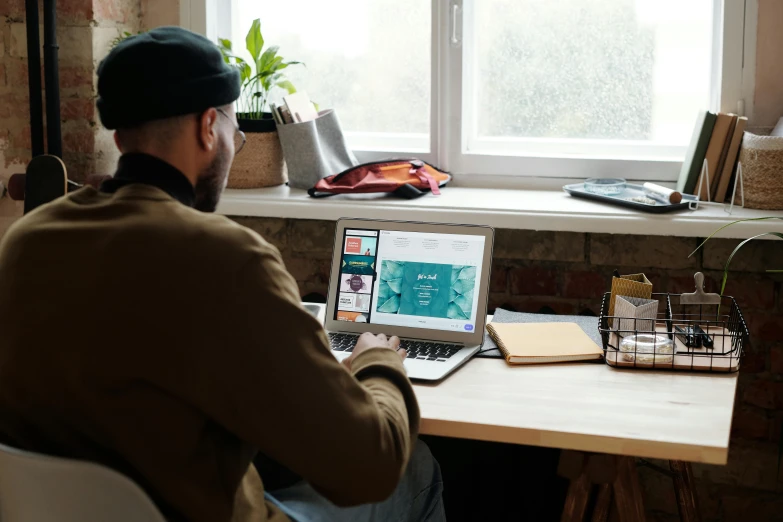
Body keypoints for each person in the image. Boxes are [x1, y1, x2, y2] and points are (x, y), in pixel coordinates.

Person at [0, 27, 445, 522]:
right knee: (415, 469)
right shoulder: (226, 260)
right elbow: (370, 466)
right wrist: (377, 362)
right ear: (208, 127)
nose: (235, 143)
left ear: (121, 135)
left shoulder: (26, 241)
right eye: (235, 130)